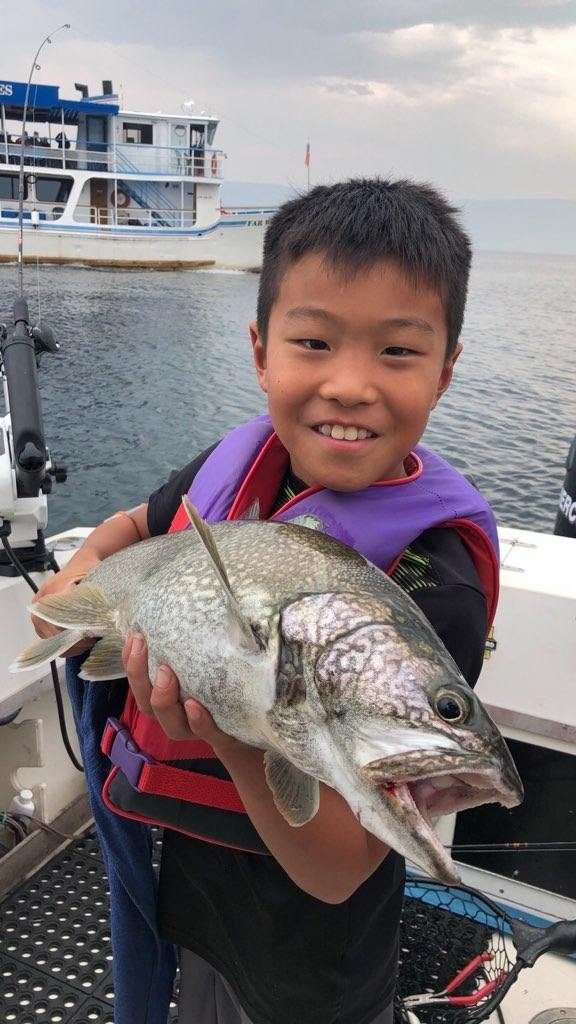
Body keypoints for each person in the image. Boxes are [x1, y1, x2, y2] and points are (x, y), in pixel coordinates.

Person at [31, 178, 497, 1024]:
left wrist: (232, 731)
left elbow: (337, 871)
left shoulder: (438, 584)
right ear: (260, 353)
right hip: (189, 890)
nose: (349, 385)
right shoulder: (240, 461)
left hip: (314, 961)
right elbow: (140, 523)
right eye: (314, 342)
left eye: (397, 352)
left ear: (446, 370)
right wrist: (86, 577)